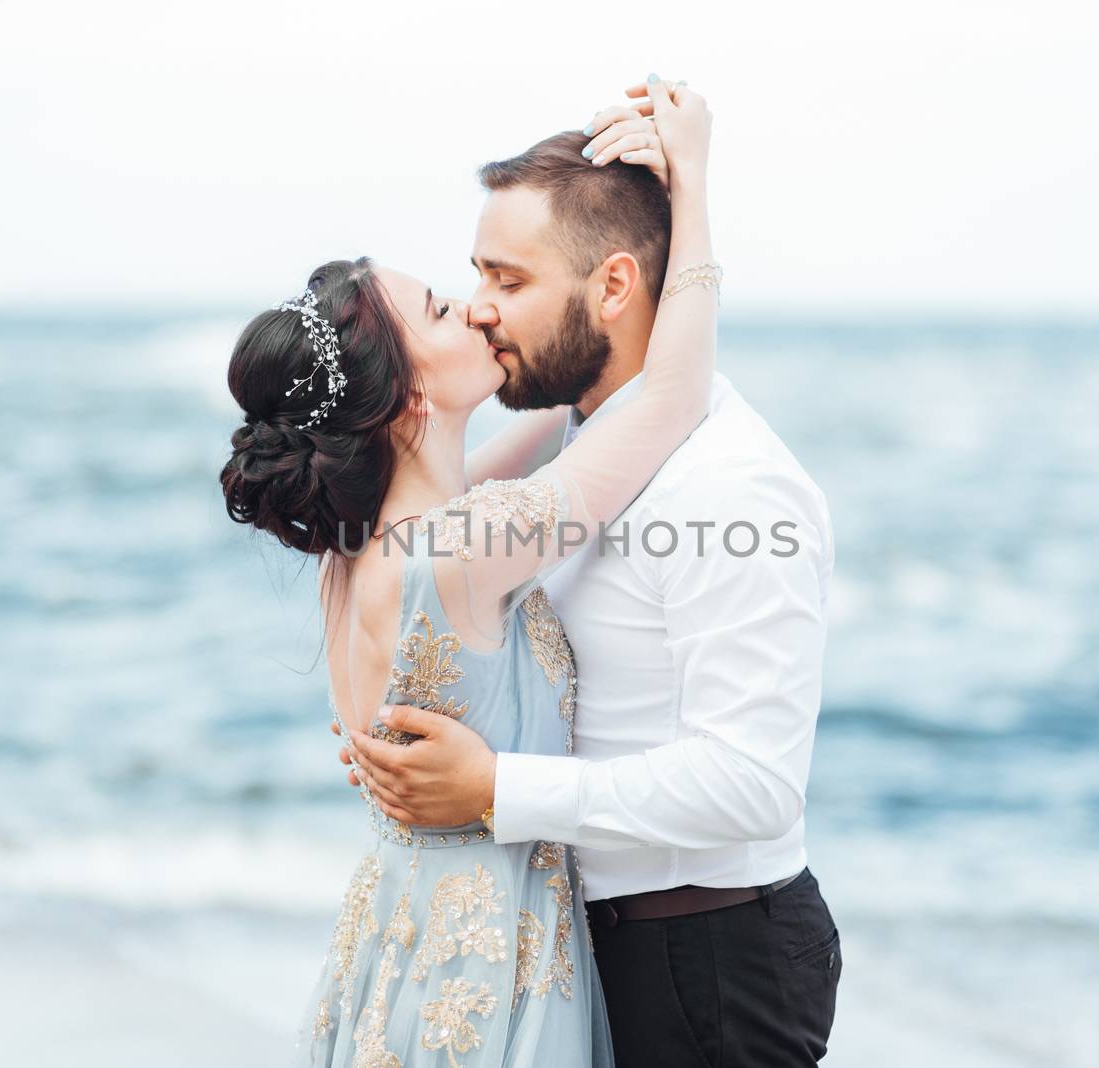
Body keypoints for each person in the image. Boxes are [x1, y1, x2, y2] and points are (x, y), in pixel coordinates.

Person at [343, 84, 841, 1066]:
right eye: (470, 277)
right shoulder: (567, 455)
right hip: (578, 952)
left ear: (613, 287)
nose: (479, 309)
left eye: (507, 279)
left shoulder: (728, 487)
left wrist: (495, 787)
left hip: (702, 964)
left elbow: (753, 785)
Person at [221, 78, 715, 1067]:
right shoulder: (466, 548)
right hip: (490, 970)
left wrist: (574, 318)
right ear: (410, 397)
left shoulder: (362, 541)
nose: (481, 311)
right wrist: (693, 183)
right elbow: (670, 402)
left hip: (394, 945)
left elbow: (557, 429)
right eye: (446, 307)